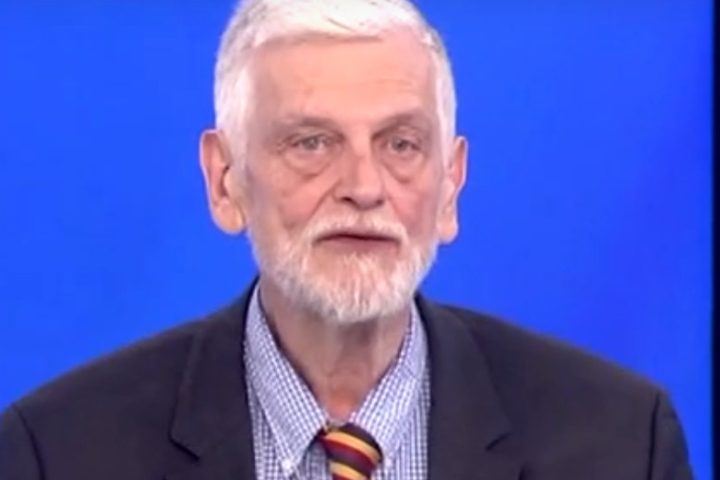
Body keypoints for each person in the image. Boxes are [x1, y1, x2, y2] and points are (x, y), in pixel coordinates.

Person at [0, 0, 694, 478]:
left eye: (400, 144)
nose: (364, 186)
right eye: (312, 142)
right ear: (224, 181)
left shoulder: (621, 443)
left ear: (450, 186)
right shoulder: (60, 453)